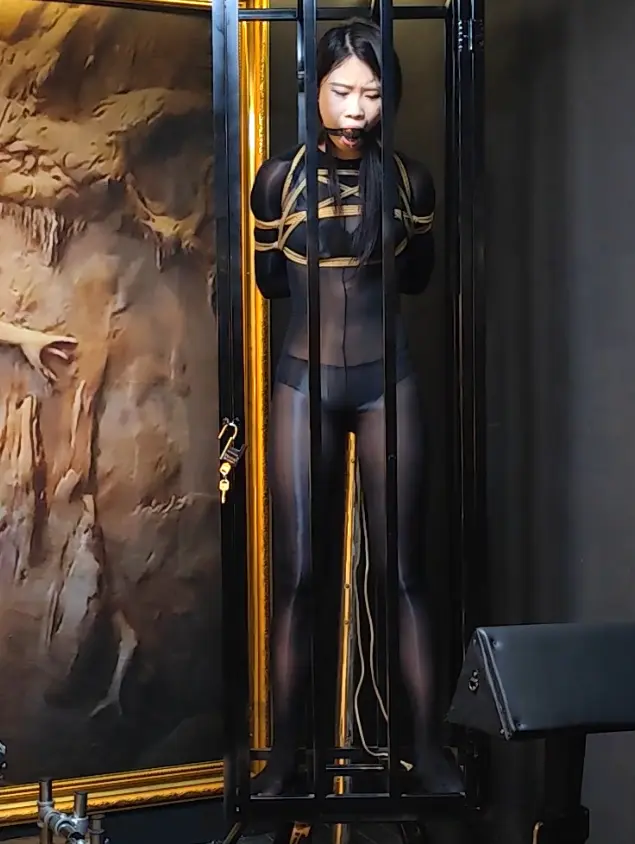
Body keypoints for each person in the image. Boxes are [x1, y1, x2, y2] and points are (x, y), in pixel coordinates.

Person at [249, 18, 463, 796]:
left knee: (405, 575)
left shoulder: (410, 182)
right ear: (315, 91)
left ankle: (428, 751)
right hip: (303, 382)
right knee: (300, 576)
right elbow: (269, 282)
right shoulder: (277, 181)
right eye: (342, 91)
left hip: (385, 383)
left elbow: (419, 278)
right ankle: (283, 758)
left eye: (371, 94)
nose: (355, 110)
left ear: (388, 98)